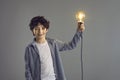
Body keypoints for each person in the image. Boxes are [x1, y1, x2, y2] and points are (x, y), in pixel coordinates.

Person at [24, 16, 85, 80]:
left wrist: (78, 32)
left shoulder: (53, 44)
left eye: (43, 28)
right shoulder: (30, 49)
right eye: (36, 29)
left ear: (46, 29)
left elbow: (71, 45)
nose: (40, 31)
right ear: (33, 31)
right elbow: (28, 70)